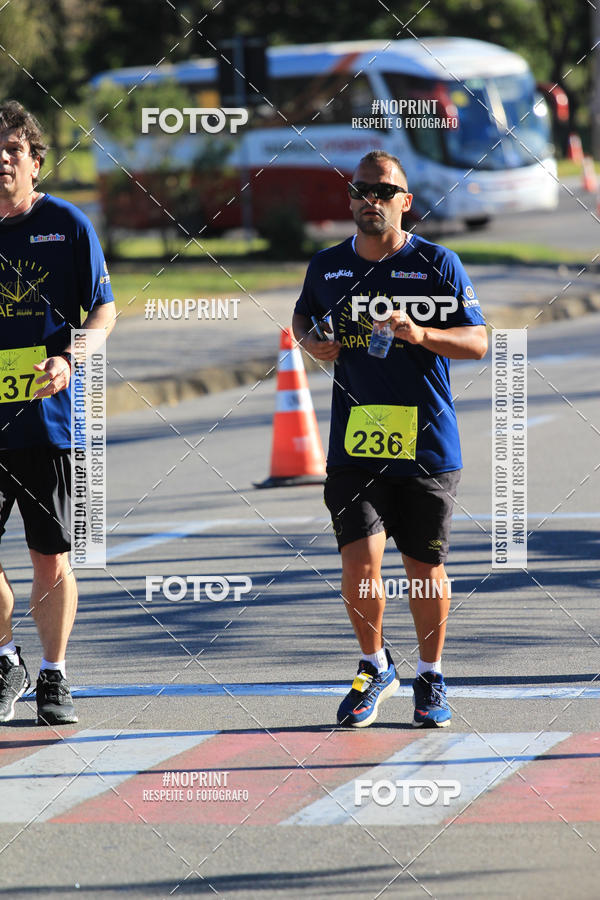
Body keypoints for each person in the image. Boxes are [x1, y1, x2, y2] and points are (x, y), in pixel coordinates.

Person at [292, 149, 487, 728]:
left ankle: (430, 674)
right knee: (359, 561)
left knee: (422, 570)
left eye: (383, 191)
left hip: (426, 441)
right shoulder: (327, 266)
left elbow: (477, 342)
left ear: (406, 202)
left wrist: (420, 332)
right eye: (361, 189)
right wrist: (310, 342)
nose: (369, 200)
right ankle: (374, 664)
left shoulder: (437, 264)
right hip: (357, 440)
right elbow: (304, 316)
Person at [0, 100, 116, 725]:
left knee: (49, 555)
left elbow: (104, 311)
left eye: (12, 151)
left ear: (34, 162)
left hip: (44, 420)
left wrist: (72, 358)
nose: (1, 161)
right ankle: (4, 656)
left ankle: (53, 674)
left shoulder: (65, 225)